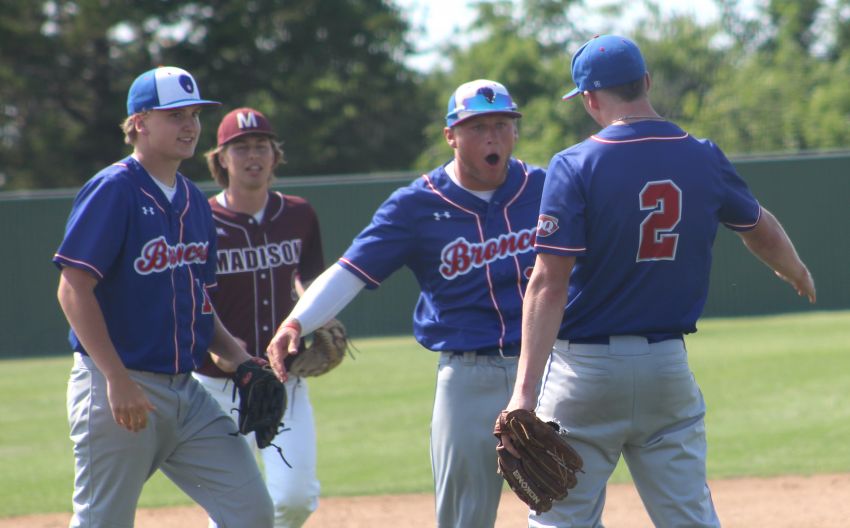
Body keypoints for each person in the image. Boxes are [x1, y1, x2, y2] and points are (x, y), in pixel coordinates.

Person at [497, 34, 817, 527]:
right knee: (689, 517)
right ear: (645, 82)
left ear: (589, 98)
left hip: (585, 373)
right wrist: (795, 271)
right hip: (666, 368)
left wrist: (523, 391)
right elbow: (761, 228)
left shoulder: (575, 163)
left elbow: (547, 283)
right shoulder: (702, 155)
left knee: (560, 520)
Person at [266, 79, 546, 528]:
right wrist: (297, 322)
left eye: (502, 124)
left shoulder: (546, 187)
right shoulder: (416, 205)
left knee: (567, 501)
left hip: (548, 366)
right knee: (464, 517)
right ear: (450, 135)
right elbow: (352, 270)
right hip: (468, 374)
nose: (492, 137)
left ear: (515, 131)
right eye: (477, 127)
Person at [54, 67, 274, 527]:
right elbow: (73, 288)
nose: (190, 125)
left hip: (185, 393)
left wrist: (238, 357)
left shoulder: (194, 199)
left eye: (194, 114)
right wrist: (116, 379)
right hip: (118, 384)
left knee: (251, 511)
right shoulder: (114, 189)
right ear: (139, 122)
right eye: (175, 115)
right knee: (102, 522)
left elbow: (197, 299)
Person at [192, 107, 325, 527]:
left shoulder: (299, 213)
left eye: (262, 146)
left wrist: (316, 317)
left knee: (295, 499)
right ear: (221, 159)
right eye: (242, 147)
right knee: (233, 506)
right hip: (217, 386)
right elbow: (190, 293)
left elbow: (310, 278)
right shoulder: (200, 217)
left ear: (275, 155)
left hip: (284, 378)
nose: (254, 155)